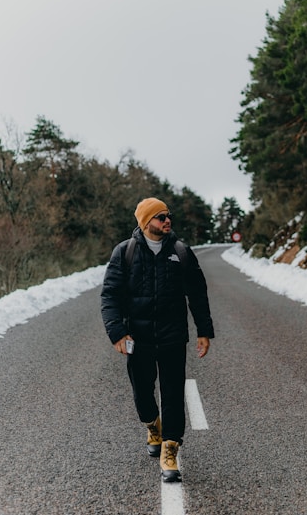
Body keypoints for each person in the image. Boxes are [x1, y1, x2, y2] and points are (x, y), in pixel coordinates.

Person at [101, 197, 214, 483]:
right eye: (160, 216)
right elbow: (110, 295)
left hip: (173, 336)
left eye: (168, 215)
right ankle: (152, 425)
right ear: (145, 221)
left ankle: (170, 449)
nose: (167, 220)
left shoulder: (181, 252)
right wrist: (117, 332)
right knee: (142, 392)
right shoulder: (124, 252)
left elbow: (198, 294)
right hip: (137, 338)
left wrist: (204, 331)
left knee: (174, 394)